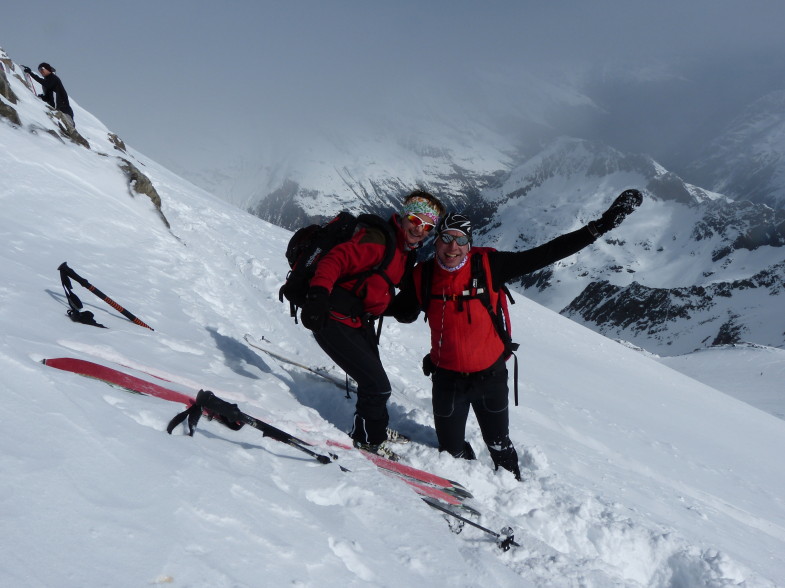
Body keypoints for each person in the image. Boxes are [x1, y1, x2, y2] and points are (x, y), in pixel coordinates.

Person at [392, 189, 643, 479]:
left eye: (461, 240)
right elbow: (396, 306)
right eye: (446, 238)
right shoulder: (422, 276)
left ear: (470, 245)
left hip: (489, 377)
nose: (453, 247)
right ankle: (463, 478)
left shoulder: (489, 267)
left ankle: (513, 488)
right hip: (446, 378)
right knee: (450, 450)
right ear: (436, 241)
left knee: (499, 446)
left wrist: (600, 226)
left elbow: (548, 253)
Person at [299, 190, 446, 460]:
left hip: (358, 320)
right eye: (415, 219)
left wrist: (396, 307)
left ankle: (374, 426)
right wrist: (317, 296)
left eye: (427, 226)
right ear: (404, 217)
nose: (420, 229)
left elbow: (374, 285)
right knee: (377, 385)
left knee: (376, 382)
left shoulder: (403, 251)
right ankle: (367, 440)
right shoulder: (379, 241)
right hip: (332, 318)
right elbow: (336, 260)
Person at [23, 63, 75, 127]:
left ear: (48, 69)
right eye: (39, 70)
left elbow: (47, 84)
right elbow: (49, 96)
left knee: (69, 130)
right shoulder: (48, 81)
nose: (41, 71)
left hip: (65, 111)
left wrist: (31, 73)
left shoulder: (54, 79)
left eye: (42, 69)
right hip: (57, 111)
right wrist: (42, 97)